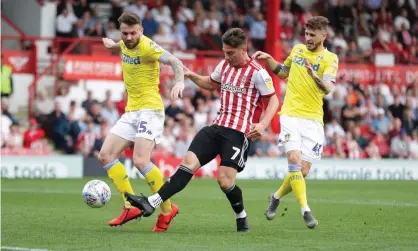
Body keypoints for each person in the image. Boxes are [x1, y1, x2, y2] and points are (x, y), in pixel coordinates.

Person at [125, 28, 279, 232]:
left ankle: (241, 215)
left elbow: (274, 100)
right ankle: (151, 203)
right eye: (224, 52)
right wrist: (190, 75)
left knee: (224, 181)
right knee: (187, 164)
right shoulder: (224, 65)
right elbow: (210, 84)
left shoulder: (258, 73)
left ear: (243, 50)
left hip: (238, 133)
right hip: (215, 127)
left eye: (231, 53)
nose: (227, 56)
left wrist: (262, 124)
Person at [99, 12, 185, 232]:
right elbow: (122, 45)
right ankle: (129, 206)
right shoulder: (124, 43)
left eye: (133, 33)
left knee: (140, 160)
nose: (129, 37)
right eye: (124, 33)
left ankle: (167, 209)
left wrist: (179, 82)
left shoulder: (148, 46)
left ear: (141, 31)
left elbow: (175, 61)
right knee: (105, 155)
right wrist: (112, 46)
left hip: (150, 109)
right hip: (132, 110)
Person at [252, 16, 339, 228]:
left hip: (313, 120)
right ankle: (306, 210)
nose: (307, 38)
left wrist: (314, 76)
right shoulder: (298, 50)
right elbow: (283, 72)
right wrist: (269, 59)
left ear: (323, 36)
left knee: (304, 171)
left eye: (312, 35)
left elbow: (327, 88)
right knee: (294, 160)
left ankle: (276, 196)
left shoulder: (330, 59)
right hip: (290, 114)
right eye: (306, 34)